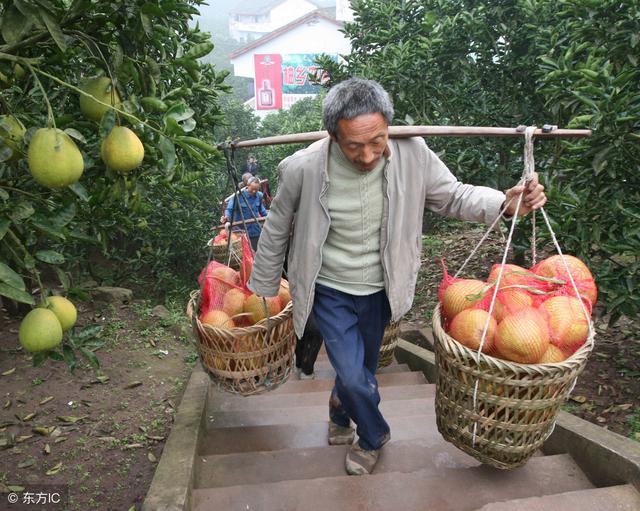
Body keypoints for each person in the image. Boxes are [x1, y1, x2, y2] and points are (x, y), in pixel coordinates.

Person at [247, 78, 546, 476]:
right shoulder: (303, 168)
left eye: (377, 141)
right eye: (354, 146)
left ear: (389, 126)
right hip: (331, 290)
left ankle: (340, 409)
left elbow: (453, 195)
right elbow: (277, 226)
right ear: (333, 135)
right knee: (355, 377)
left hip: (383, 289)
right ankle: (373, 436)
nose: (368, 155)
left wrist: (505, 204)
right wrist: (264, 289)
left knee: (363, 371)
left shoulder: (413, 153)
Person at [222, 176, 268, 251]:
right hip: (242, 231)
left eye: (256, 190)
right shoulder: (238, 196)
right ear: (247, 186)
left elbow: (261, 210)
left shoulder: (259, 195)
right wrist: (226, 217)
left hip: (256, 230)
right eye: (252, 189)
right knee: (246, 254)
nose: (254, 191)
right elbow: (229, 209)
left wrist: (268, 217)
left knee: (257, 251)